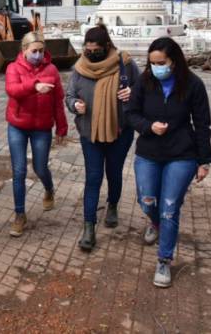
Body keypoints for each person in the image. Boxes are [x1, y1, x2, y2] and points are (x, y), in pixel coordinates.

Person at [126, 37, 211, 288]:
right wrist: (148, 127)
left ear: (174, 61)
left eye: (161, 62)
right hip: (148, 153)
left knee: (170, 208)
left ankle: (164, 260)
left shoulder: (193, 85)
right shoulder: (144, 82)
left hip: (181, 155)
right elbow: (131, 114)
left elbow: (202, 124)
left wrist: (204, 160)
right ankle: (154, 222)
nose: (156, 67)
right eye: (152, 63)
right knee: (147, 200)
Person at [66, 25, 139, 252]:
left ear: (107, 46)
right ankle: (89, 228)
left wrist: (133, 93)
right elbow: (69, 95)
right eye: (87, 50)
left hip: (120, 132)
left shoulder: (125, 64)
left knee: (114, 173)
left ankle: (113, 205)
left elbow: (145, 88)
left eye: (96, 50)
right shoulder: (79, 67)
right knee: (93, 178)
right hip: (90, 134)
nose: (91, 53)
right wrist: (74, 105)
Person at [5, 31, 68, 237]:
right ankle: (20, 214)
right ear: (24, 50)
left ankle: (49, 189)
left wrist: (62, 127)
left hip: (42, 127)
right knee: (19, 171)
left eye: (41, 51)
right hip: (18, 126)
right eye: (34, 51)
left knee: (40, 167)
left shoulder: (51, 70)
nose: (38, 55)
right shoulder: (13, 68)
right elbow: (12, 89)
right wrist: (34, 86)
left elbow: (58, 101)